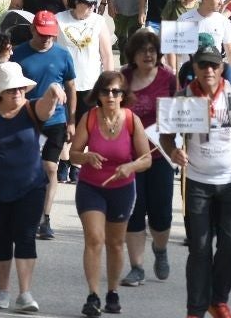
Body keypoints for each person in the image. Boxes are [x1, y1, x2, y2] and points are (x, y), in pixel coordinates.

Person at [160, 45, 231, 318]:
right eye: (203, 65)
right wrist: (173, 151)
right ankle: (195, 308)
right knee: (200, 248)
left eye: (214, 65)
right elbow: (165, 136)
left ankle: (218, 300)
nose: (209, 70)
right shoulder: (183, 97)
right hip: (197, 183)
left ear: (222, 67)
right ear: (194, 67)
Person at [0, 61, 68, 312]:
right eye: (12, 89)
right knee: (0, 241)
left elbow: (46, 106)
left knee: (25, 239)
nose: (18, 92)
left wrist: (54, 89)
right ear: (1, 91)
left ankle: (25, 293)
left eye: (21, 88)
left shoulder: (32, 110)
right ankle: (3, 291)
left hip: (30, 187)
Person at [70, 72, 152, 317]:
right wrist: (86, 156)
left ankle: (112, 292)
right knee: (94, 239)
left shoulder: (131, 120)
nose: (110, 96)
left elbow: (146, 158)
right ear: (98, 94)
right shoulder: (90, 118)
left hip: (122, 188)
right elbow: (73, 154)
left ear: (123, 95)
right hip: (91, 186)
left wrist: (130, 166)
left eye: (116, 92)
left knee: (115, 244)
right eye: (105, 91)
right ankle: (93, 295)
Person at [11, 11, 78, 242]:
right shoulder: (18, 54)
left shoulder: (62, 54)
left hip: (55, 120)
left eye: (51, 34)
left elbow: (70, 87)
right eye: (42, 34)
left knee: (50, 167)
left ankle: (44, 218)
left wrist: (72, 121)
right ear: (32, 30)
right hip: (26, 119)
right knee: (25, 169)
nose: (47, 39)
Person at [119, 30, 177, 287]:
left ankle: (161, 250)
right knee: (134, 211)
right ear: (133, 54)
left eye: (153, 50)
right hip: (130, 157)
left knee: (161, 214)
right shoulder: (123, 78)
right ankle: (137, 267)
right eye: (143, 50)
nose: (148, 54)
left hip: (161, 155)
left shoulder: (169, 79)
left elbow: (184, 112)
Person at [56, 0, 114, 183]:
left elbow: (106, 55)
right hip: (65, 83)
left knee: (84, 125)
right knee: (64, 123)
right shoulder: (60, 20)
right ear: (76, 3)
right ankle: (64, 160)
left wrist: (109, 84)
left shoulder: (98, 22)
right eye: (88, 4)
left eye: (94, 4)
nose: (91, 8)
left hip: (90, 82)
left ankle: (77, 164)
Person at [180, 0, 231, 85]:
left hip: (214, 76)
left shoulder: (223, 21)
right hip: (190, 76)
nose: (222, 2)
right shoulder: (185, 19)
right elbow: (174, 51)